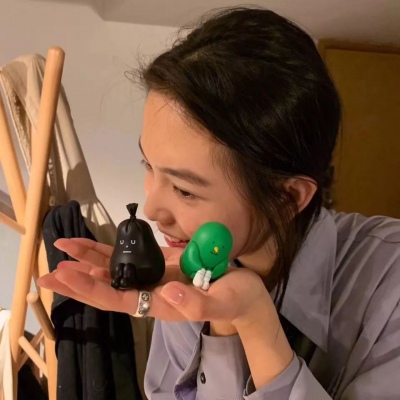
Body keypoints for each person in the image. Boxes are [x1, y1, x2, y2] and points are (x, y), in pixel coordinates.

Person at [37, 6, 400, 400]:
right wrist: (223, 326)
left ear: (287, 197)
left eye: (184, 190)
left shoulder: (388, 286)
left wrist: (255, 323)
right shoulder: (189, 271)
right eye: (148, 166)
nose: (152, 210)